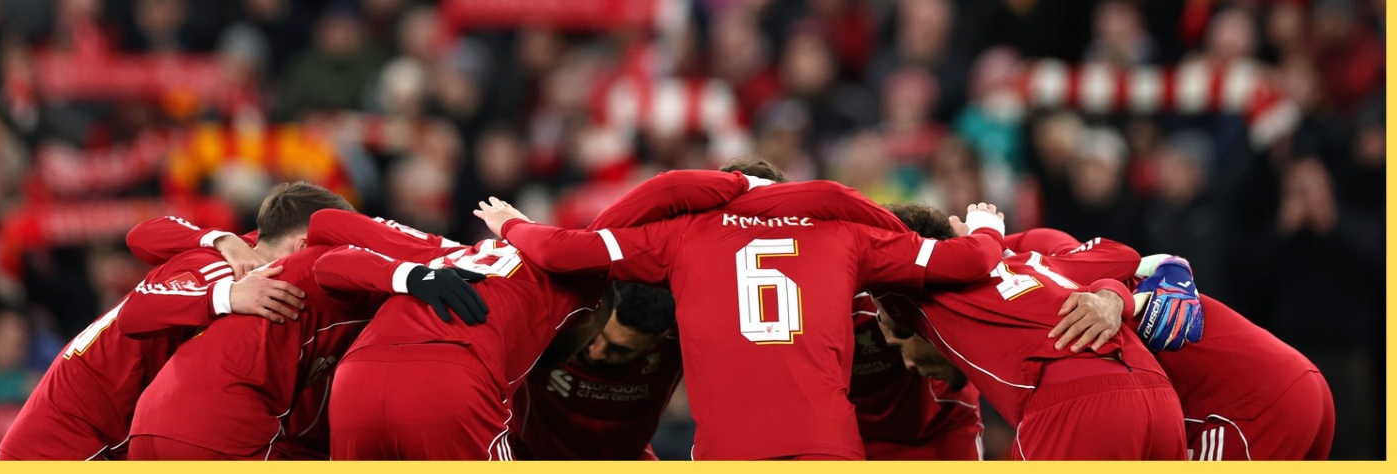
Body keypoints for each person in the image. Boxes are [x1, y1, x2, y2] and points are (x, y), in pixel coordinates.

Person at [474, 158, 1007, 460]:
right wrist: (987, 225)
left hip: (729, 455)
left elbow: (562, 252)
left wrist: (514, 225)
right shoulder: (844, 231)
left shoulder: (681, 233)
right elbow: (971, 261)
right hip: (828, 448)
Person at [0, 183, 342, 460]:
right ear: (304, 245)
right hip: (63, 440)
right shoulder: (221, 268)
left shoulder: (243, 257)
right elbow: (136, 311)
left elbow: (143, 235)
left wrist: (221, 240)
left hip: (101, 435)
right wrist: (224, 295)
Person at [125, 199, 485, 460]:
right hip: (219, 429)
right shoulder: (308, 265)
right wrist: (414, 273)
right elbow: (332, 261)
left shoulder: (257, 279)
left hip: (146, 425)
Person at [877, 204, 1186, 461]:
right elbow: (1126, 257)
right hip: (1157, 394)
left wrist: (980, 234)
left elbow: (861, 245)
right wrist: (1114, 294)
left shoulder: (919, 286)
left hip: (1074, 404)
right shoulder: (1033, 262)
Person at [301, 208, 605, 461]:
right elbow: (615, 231)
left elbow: (325, 230)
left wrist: (409, 274)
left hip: (355, 382)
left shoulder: (448, 252)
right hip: (449, 380)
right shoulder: (579, 281)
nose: (595, 351)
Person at [1004, 228, 1334, 460]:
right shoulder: (1066, 264)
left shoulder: (1064, 286)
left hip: (1250, 408)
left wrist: (1115, 298)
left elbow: (1104, 280)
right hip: (1296, 381)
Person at [511, 282, 684, 460]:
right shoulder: (560, 310)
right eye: (599, 333)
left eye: (619, 349)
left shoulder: (682, 340)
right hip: (524, 455)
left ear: (658, 340)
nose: (595, 353)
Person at [848, 293, 984, 460]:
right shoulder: (843, 307)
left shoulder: (954, 404)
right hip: (851, 437)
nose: (909, 364)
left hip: (937, 431)